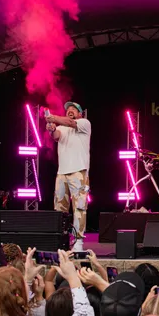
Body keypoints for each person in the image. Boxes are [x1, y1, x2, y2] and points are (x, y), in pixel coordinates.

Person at [46, 101, 92, 240]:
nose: (70, 110)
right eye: (68, 109)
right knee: (59, 208)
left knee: (79, 207)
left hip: (79, 171)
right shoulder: (62, 127)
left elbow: (70, 122)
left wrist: (53, 118)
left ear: (80, 113)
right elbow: (56, 136)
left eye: (74, 109)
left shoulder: (84, 123)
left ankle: (78, 241)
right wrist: (52, 129)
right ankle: (61, 240)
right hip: (62, 173)